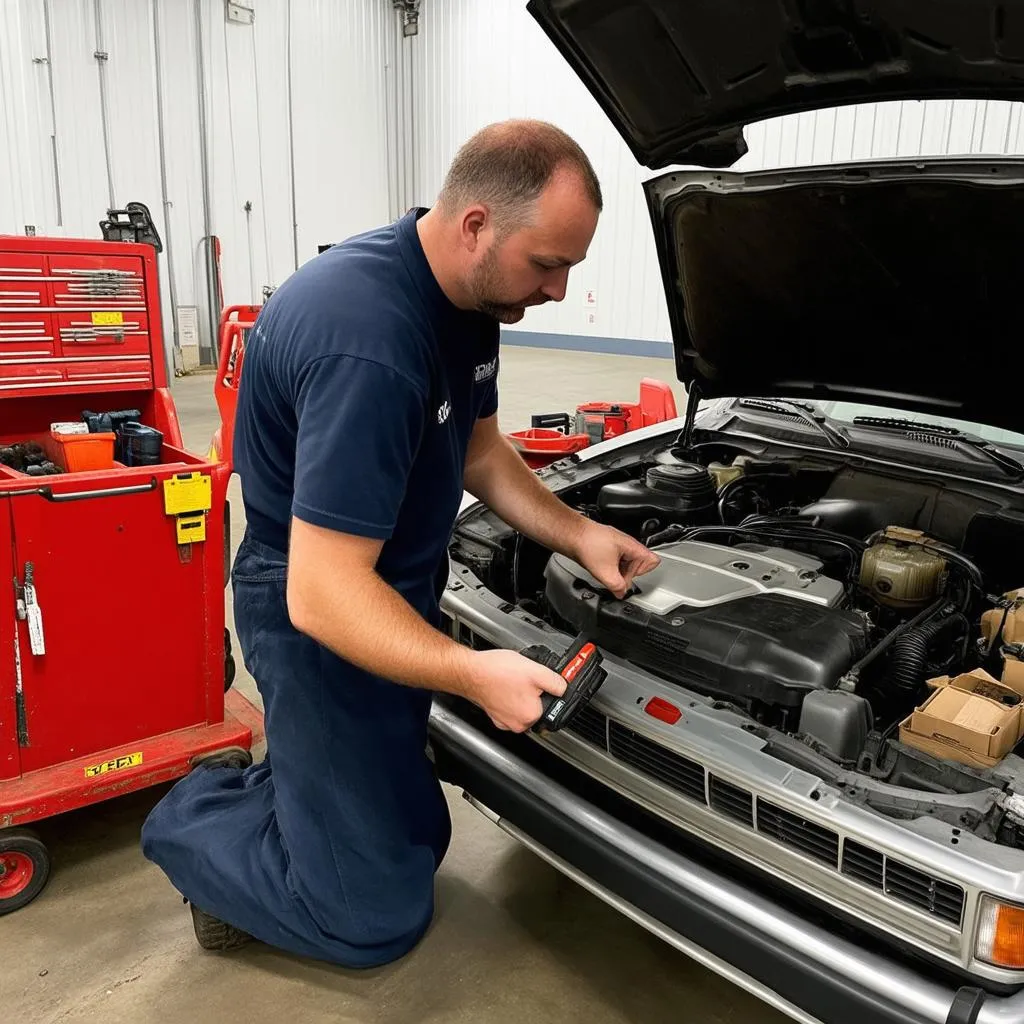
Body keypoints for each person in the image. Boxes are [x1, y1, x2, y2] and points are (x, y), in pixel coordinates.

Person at [140, 119, 660, 967]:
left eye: (570, 266)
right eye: (548, 264)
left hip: (392, 583)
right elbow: (322, 593)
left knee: (419, 835)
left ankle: (299, 789)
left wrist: (580, 533)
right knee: (370, 920)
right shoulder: (371, 345)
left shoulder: (468, 295)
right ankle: (197, 821)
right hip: (321, 612)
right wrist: (471, 670)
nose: (559, 293)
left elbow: (481, 449)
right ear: (476, 224)